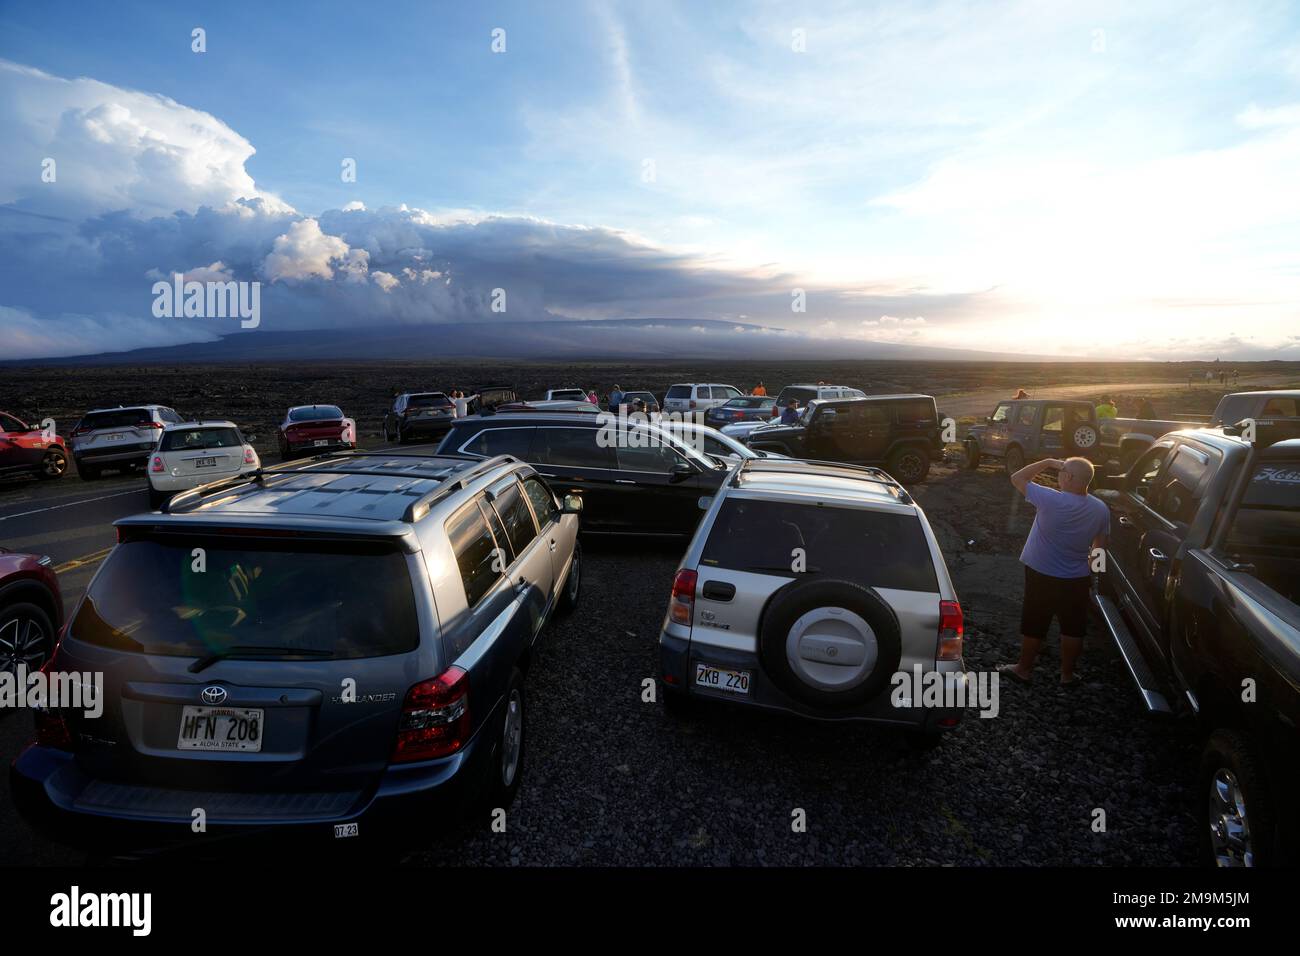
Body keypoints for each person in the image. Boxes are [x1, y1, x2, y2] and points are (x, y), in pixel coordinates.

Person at [998, 457, 1110, 685]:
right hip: (1077, 577)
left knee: (1035, 621)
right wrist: (1094, 576)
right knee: (1073, 626)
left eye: (1062, 471)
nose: (1058, 474)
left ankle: (1023, 669)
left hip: (1041, 572)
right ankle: (1067, 675)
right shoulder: (1101, 509)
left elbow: (1017, 477)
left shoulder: (1050, 499)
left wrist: (1048, 461)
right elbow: (1100, 548)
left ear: (1068, 477)